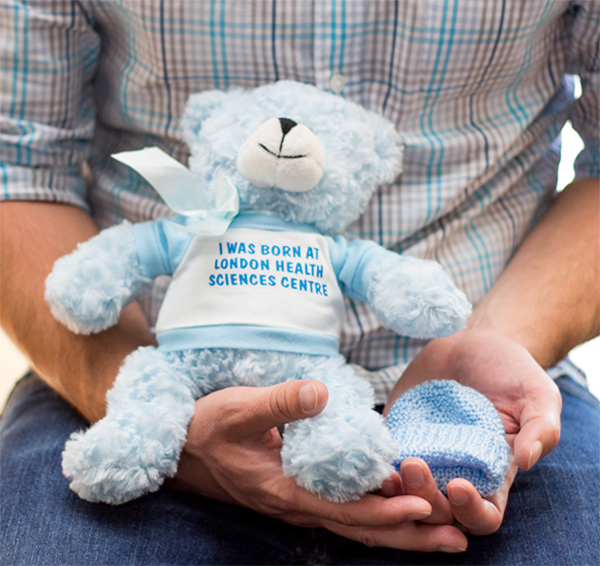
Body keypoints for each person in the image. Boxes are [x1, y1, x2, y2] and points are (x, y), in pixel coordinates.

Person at [1, 1, 599, 564]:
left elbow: (389, 277)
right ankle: (137, 433)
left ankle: (338, 449)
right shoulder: (190, 227)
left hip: (479, 378)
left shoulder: (336, 250)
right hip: (128, 359)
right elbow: (17, 168)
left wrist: (496, 334)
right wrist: (133, 399)